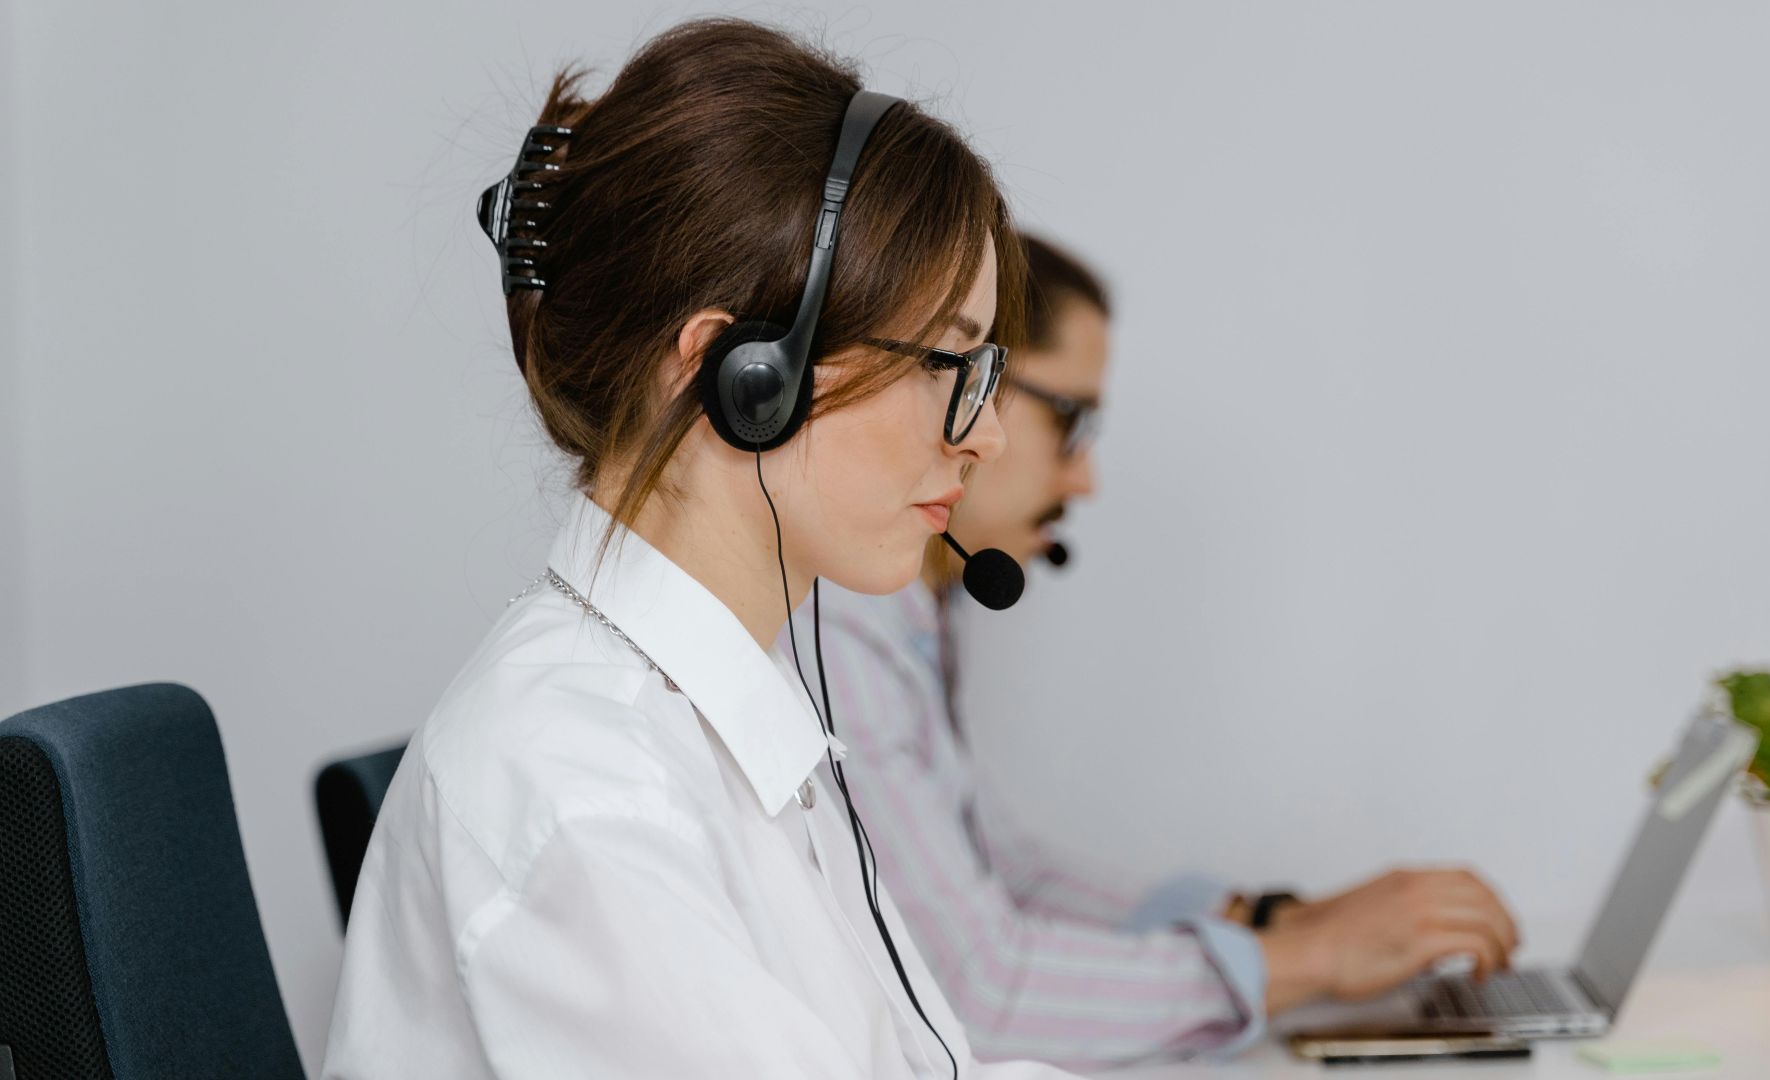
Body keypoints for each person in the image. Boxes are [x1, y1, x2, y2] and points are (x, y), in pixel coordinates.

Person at [322, 20, 1079, 1078]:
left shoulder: (711, 717)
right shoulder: (589, 795)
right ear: (734, 377)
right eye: (943, 365)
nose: (985, 433)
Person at [792, 235, 1522, 1070]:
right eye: (1068, 420)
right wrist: (1306, 960)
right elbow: (978, 994)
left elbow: (1002, 869)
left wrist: (1267, 923)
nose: (1085, 480)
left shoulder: (902, 619)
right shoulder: (833, 626)